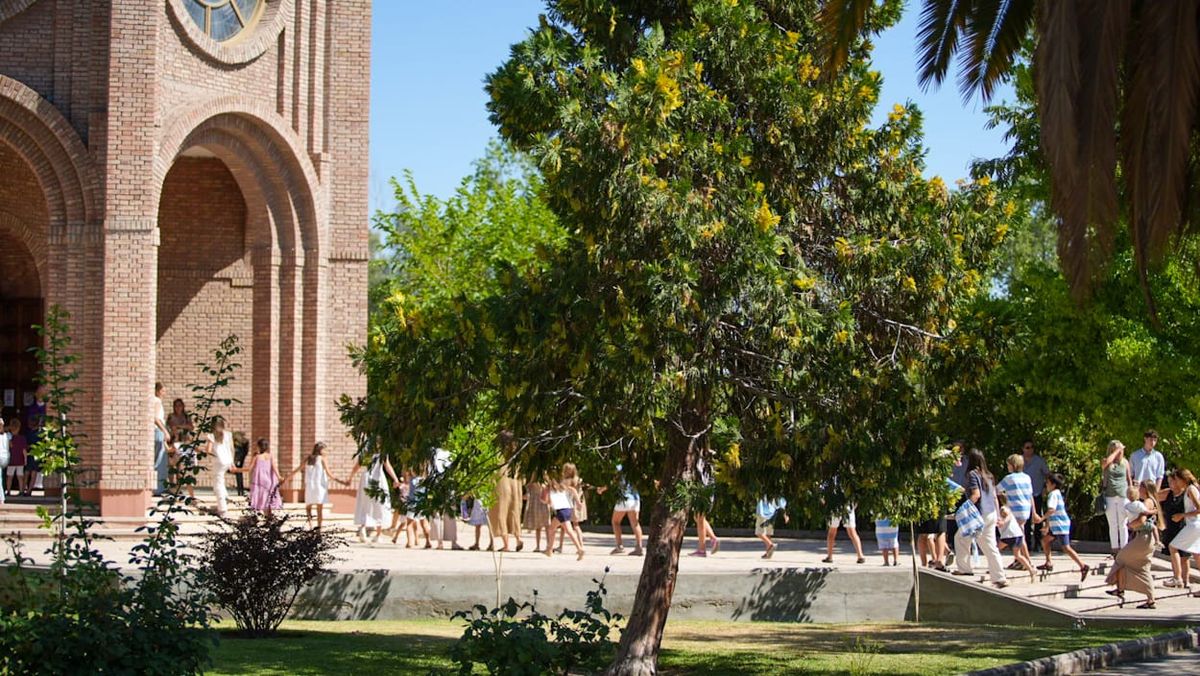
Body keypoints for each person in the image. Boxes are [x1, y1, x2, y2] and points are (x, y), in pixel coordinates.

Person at [951, 449, 1008, 587]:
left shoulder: (972, 474)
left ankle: (964, 569)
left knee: (960, 538)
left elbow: (976, 494)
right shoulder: (988, 475)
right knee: (990, 546)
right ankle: (999, 577)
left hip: (979, 514)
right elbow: (994, 497)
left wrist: (965, 507)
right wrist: (998, 514)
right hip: (991, 513)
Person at [1106, 480, 1164, 609]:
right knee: (1142, 566)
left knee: (1121, 558)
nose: (1138, 490)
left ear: (1145, 489)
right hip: (1146, 539)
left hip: (1143, 537)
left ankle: (1120, 588)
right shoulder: (1151, 502)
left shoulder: (1147, 502)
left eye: (1140, 487)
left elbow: (1142, 520)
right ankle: (1149, 599)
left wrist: (1131, 525)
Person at [1033, 473, 1089, 581]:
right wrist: (1047, 526)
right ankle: (1048, 562)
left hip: (1060, 525)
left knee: (1066, 547)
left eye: (1048, 483)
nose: (1046, 485)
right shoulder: (1057, 493)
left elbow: (1051, 510)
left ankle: (1083, 566)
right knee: (1045, 541)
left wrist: (1041, 519)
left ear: (1053, 484)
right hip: (1056, 525)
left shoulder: (1053, 495)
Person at [287, 442, 343, 529]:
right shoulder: (322, 459)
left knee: (308, 506)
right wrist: (341, 481)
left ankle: (311, 525)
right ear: (320, 450)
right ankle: (319, 529)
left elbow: (298, 469)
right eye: (325, 450)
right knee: (319, 509)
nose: (326, 452)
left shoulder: (309, 458)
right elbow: (329, 473)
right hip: (319, 486)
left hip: (310, 486)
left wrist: (287, 478)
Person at [347, 451, 399, 543]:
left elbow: (357, 466)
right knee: (380, 505)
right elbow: (387, 466)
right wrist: (395, 479)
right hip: (378, 479)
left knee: (364, 505)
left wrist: (350, 477)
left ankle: (363, 528)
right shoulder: (382, 453)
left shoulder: (365, 451)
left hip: (366, 478)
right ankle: (378, 535)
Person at [488, 431, 524, 553]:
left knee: (501, 514)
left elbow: (492, 474)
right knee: (514, 513)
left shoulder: (497, 457)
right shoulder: (516, 458)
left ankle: (506, 544)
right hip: (515, 487)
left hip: (501, 488)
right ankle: (518, 538)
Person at [997, 454, 1034, 570]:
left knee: (1019, 536)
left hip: (1015, 511)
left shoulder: (1010, 478)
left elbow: (996, 490)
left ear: (1013, 465)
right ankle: (1019, 560)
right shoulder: (1027, 477)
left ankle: (1027, 561)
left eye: (1008, 465)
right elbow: (1030, 494)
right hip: (1025, 510)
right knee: (1020, 535)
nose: (1007, 467)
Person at [1166, 468, 1200, 593]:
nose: (1176, 483)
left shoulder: (1190, 489)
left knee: (1172, 547)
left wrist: (1182, 515)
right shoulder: (1192, 488)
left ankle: (1177, 578)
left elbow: (1199, 509)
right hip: (1195, 524)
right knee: (1197, 555)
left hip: (1194, 524)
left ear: (1182, 479)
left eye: (1177, 480)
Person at [233, 438, 283, 517]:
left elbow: (249, 469)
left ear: (259, 446)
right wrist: (279, 476)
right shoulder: (270, 456)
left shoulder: (257, 457)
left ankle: (261, 517)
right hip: (269, 481)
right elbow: (274, 467)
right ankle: (269, 519)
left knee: (261, 500)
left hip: (259, 481)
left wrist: (237, 470)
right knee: (268, 500)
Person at [1099, 440, 1133, 555]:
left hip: (1123, 495)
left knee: (1123, 523)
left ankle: (1124, 549)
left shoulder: (1125, 462)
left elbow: (1129, 478)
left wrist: (1132, 491)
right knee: (1113, 524)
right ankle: (1115, 549)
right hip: (1110, 496)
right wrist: (1116, 451)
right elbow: (1105, 464)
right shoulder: (1107, 462)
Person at [601, 466, 644, 556]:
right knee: (635, 523)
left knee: (615, 521)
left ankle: (619, 545)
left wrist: (602, 489)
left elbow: (613, 482)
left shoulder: (620, 467)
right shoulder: (638, 468)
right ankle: (639, 547)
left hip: (624, 498)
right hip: (635, 499)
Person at [543, 472, 585, 561]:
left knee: (568, 531)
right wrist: (578, 502)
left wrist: (546, 500)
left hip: (562, 511)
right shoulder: (562, 487)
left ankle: (580, 549)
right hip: (567, 510)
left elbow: (546, 500)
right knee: (552, 528)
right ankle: (549, 550)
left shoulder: (550, 488)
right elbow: (573, 490)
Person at [997, 493, 1035, 583]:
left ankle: (997, 569)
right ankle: (1031, 569)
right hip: (1017, 534)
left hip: (1009, 535)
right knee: (1018, 555)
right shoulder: (1008, 507)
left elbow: (1007, 516)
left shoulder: (1003, 509)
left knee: (995, 550)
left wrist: (1002, 521)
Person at [1018, 440, 1049, 552]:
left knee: (1037, 519)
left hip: (1036, 493)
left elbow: (1047, 474)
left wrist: (1046, 488)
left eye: (1031, 447)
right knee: (1024, 520)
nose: (1029, 449)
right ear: (1023, 448)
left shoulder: (1039, 461)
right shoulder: (1019, 460)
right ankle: (1026, 543)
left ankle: (1038, 543)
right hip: (1022, 495)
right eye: (1027, 447)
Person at [1159, 473, 1188, 588]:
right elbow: (1153, 496)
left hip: (1183, 526)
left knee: (1184, 555)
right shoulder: (1168, 493)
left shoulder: (1187, 493)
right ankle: (1177, 577)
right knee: (1174, 553)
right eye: (1169, 481)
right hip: (1171, 526)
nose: (1171, 484)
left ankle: (1183, 579)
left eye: (1173, 481)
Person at [204, 417, 235, 517]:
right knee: (221, 481)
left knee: (218, 484)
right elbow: (232, 449)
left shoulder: (211, 436)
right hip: (228, 460)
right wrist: (232, 462)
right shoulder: (228, 434)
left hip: (218, 461)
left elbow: (208, 450)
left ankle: (222, 509)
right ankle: (225, 497)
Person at [556, 463, 589, 554]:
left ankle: (579, 546)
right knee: (570, 526)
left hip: (570, 504)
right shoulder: (578, 480)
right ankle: (562, 546)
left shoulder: (568, 481)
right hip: (574, 504)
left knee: (573, 525)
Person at [690, 456, 719, 557]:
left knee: (700, 518)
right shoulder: (709, 464)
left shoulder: (702, 464)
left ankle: (702, 549)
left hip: (704, 492)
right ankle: (713, 538)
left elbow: (700, 477)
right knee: (698, 517)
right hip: (708, 491)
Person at [25, 384, 48, 496]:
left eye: (43, 393)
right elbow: (29, 421)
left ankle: (40, 484)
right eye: (39, 392)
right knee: (32, 463)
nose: (41, 395)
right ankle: (29, 486)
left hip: (44, 436)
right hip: (33, 436)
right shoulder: (31, 408)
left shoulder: (48, 407)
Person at [523, 473, 551, 553]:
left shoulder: (546, 483)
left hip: (543, 504)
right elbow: (527, 487)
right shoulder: (534, 483)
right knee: (539, 526)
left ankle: (548, 545)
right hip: (538, 504)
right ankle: (539, 546)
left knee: (546, 526)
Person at [5, 418, 26, 497]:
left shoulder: (8, 438)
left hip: (11, 460)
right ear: (19, 428)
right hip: (20, 460)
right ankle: (21, 491)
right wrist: (25, 459)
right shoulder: (22, 438)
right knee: (20, 476)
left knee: (9, 477)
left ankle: (8, 491)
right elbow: (24, 450)